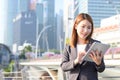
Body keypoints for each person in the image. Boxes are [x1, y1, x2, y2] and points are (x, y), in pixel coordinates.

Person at [60, 13, 105, 80]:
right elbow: (63, 67)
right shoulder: (69, 47)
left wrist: (98, 63)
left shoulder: (96, 45)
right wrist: (76, 61)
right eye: (83, 26)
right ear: (76, 26)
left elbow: (101, 69)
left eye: (89, 27)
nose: (86, 30)